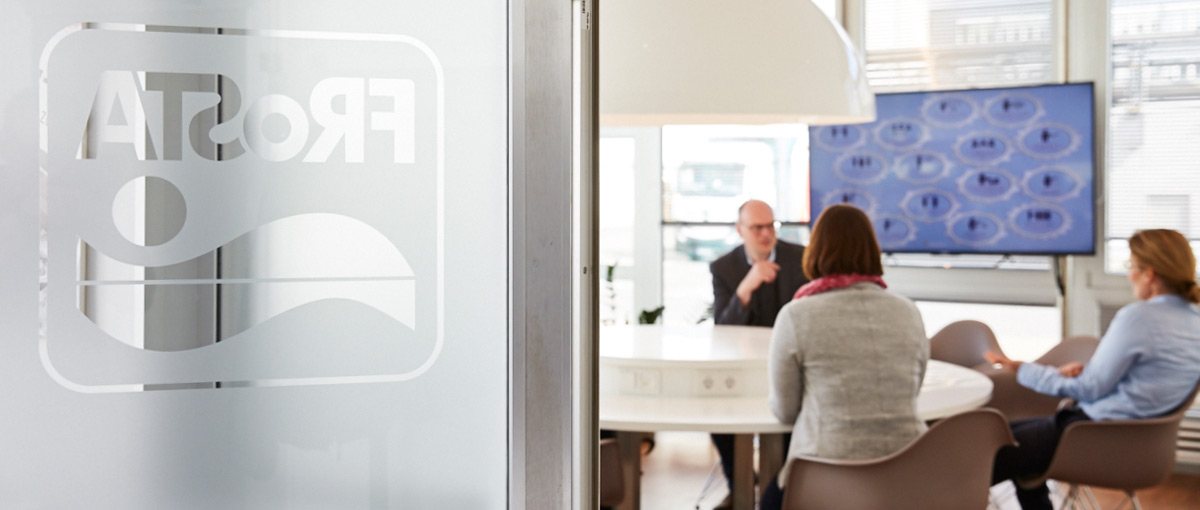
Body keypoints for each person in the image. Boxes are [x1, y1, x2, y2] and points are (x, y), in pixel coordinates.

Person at [987, 229, 1200, 510]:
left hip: (1093, 436)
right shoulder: (1194, 320)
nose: (1129, 275)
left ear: (1149, 274)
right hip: (1139, 444)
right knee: (1009, 440)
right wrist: (1085, 373)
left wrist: (1024, 370)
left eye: (1131, 266)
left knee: (985, 450)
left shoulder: (1139, 317)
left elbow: (1089, 389)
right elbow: (1150, 378)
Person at [760, 204, 929, 510]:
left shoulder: (797, 315)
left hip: (827, 473)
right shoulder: (908, 311)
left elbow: (785, 410)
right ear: (872, 250)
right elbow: (911, 390)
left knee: (769, 501)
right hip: (907, 470)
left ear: (815, 251)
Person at [708, 199, 809, 507]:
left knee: (792, 417)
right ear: (740, 230)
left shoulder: (801, 259)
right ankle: (738, 485)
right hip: (743, 367)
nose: (766, 234)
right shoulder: (724, 268)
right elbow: (723, 329)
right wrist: (745, 288)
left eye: (771, 226)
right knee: (717, 417)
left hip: (793, 364)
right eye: (757, 228)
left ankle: (782, 488)